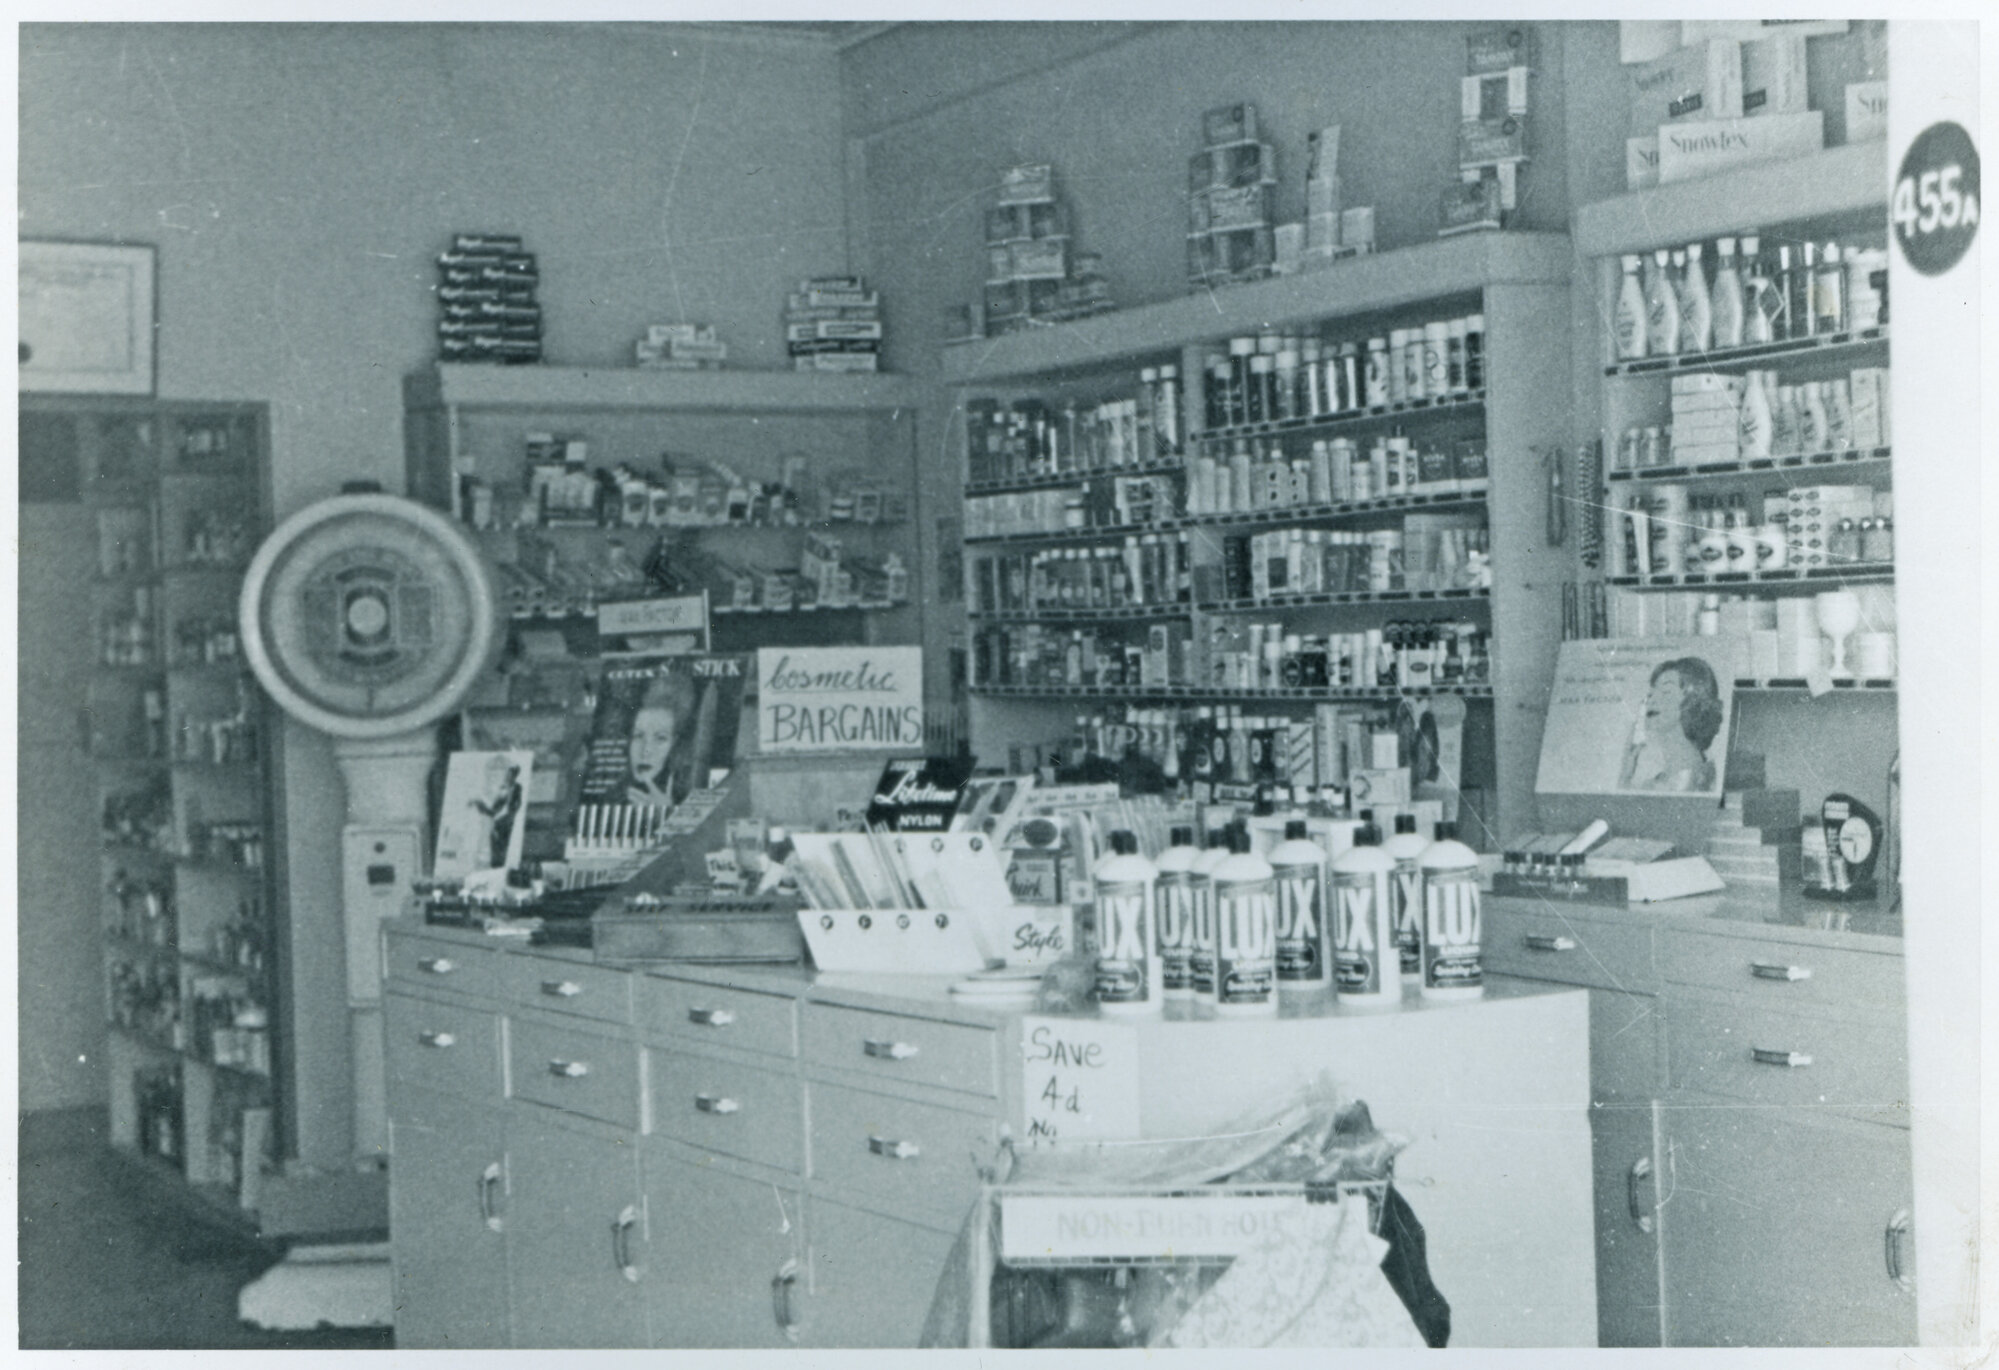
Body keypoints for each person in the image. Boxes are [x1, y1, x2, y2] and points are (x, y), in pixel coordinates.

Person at [1618, 656, 1724, 793]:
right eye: (1651, 693)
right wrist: (1626, 773)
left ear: (1693, 701)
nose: (1650, 700)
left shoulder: (1683, 781)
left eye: (1666, 692)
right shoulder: (1669, 777)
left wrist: (1624, 779)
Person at [624, 668, 703, 809]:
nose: (646, 751)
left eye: (660, 739)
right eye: (638, 736)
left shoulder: (689, 789)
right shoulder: (608, 794)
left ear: (675, 743)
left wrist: (668, 813)